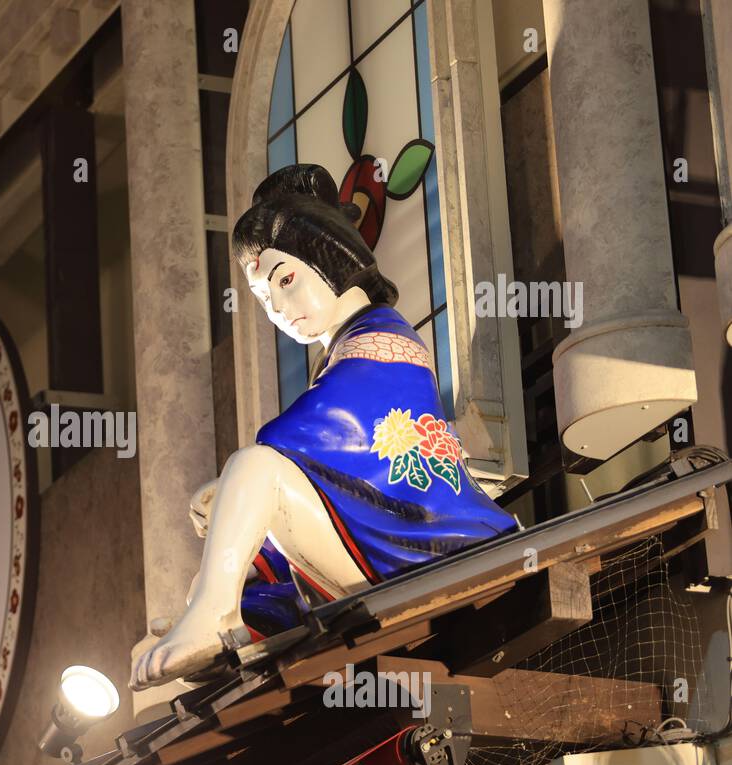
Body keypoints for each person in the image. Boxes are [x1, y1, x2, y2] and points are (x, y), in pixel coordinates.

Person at [130, 165, 517, 690]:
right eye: (264, 300)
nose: (279, 309)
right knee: (256, 493)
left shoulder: (385, 338)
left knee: (256, 465)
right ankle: (224, 614)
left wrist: (239, 484)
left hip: (430, 543)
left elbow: (339, 425)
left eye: (285, 280)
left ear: (329, 256)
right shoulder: (342, 352)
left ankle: (210, 619)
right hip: (385, 551)